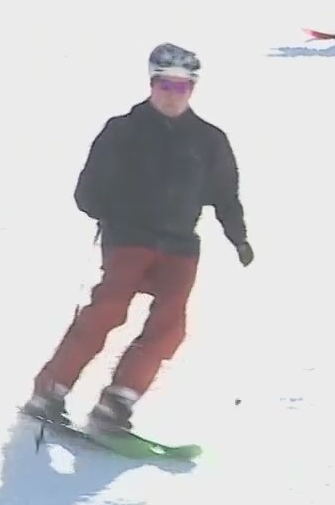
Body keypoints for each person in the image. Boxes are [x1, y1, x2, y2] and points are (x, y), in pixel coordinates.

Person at [23, 42, 254, 435]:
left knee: (171, 324)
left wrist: (239, 238)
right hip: (130, 238)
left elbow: (224, 194)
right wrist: (112, 212)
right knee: (109, 308)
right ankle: (50, 390)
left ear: (193, 90)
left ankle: (117, 402)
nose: (173, 95)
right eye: (165, 85)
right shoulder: (124, 130)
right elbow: (88, 189)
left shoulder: (209, 140)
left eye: (182, 87)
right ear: (151, 84)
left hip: (180, 244)